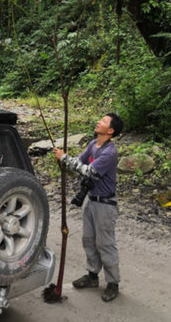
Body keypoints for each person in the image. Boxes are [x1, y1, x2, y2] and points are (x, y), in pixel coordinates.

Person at [54, 113, 124, 302]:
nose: (98, 121)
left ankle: (112, 282)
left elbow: (89, 171)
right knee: (89, 240)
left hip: (105, 204)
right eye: (100, 118)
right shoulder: (93, 144)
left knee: (105, 243)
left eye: (103, 121)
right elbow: (80, 161)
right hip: (91, 200)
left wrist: (66, 158)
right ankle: (92, 276)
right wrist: (63, 161)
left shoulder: (110, 152)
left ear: (110, 131)